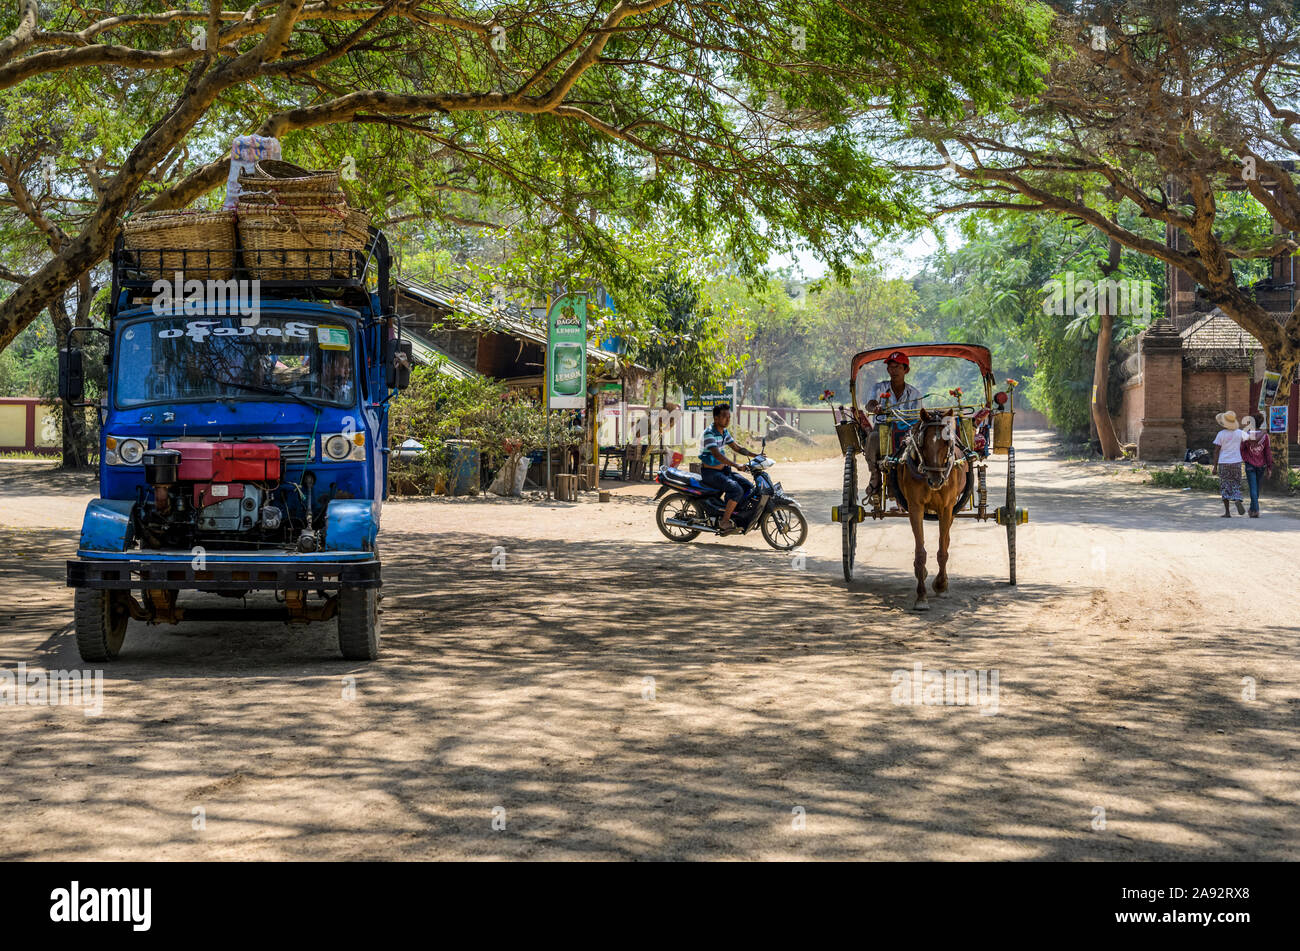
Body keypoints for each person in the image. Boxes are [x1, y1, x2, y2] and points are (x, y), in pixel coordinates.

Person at [865, 350, 925, 495]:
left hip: (906, 432)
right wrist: (875, 408)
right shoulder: (878, 388)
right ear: (887, 370)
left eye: (898, 367)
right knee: (872, 438)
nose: (894, 370)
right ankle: (875, 476)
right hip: (884, 429)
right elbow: (870, 404)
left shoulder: (915, 393)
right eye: (891, 367)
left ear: (906, 370)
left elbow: (917, 419)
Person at [699, 402, 757, 535]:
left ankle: (733, 514)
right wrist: (736, 465)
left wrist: (756, 455)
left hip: (723, 471)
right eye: (724, 416)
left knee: (748, 486)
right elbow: (717, 455)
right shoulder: (709, 433)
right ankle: (724, 521)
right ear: (716, 418)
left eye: (729, 417)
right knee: (736, 489)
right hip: (710, 473)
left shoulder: (723, 432)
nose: (728, 419)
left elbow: (737, 447)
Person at [1211, 410, 1248, 517]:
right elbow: (1250, 440)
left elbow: (1216, 451)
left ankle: (1227, 512)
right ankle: (1236, 497)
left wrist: (1214, 467)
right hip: (1236, 462)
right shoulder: (1240, 433)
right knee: (1236, 483)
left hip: (1224, 463)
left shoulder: (1221, 434)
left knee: (1225, 486)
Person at [1240, 415, 1274, 518]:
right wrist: (1269, 467)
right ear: (1261, 423)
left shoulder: (1246, 434)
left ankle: (1253, 509)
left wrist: (1246, 458)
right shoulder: (1265, 436)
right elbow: (1267, 452)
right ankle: (1255, 510)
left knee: (1253, 489)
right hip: (1261, 465)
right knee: (1257, 489)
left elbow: (1242, 449)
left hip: (1250, 464)